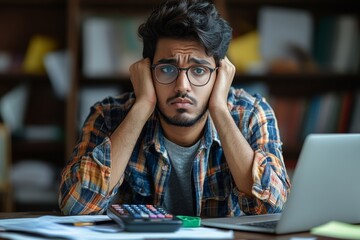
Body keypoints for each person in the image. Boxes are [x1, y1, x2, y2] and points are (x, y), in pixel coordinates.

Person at [59, 0, 291, 217]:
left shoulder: (250, 114)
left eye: (198, 71)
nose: (183, 87)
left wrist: (219, 109)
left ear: (220, 75)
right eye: (167, 70)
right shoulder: (109, 116)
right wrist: (142, 107)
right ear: (147, 71)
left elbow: (272, 209)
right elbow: (75, 205)